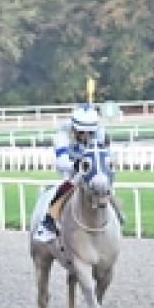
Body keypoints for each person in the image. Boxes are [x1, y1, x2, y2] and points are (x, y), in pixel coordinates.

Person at [33, 103, 112, 242]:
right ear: (74, 128)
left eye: (90, 132)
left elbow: (105, 158)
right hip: (70, 171)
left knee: (104, 182)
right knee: (69, 185)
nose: (86, 136)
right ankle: (48, 222)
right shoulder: (63, 134)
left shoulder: (100, 132)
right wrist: (76, 165)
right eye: (82, 132)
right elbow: (61, 162)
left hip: (91, 170)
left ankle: (116, 214)